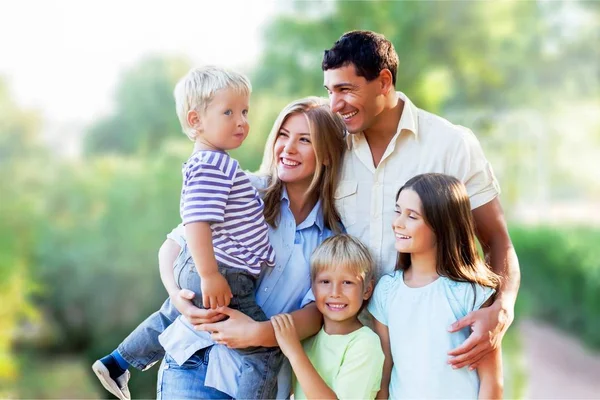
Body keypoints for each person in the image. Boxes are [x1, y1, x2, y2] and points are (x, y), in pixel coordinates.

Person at [92, 96, 347, 399]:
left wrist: (258, 333)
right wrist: (178, 297)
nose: (288, 148)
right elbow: (174, 246)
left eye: (304, 140)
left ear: (327, 154)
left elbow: (316, 312)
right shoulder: (244, 191)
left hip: (255, 382)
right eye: (283, 135)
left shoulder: (331, 238)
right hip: (195, 359)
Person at [322, 30, 520, 369]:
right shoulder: (330, 144)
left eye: (346, 89)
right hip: (347, 348)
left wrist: (501, 308)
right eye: (330, 91)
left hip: (431, 346)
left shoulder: (450, 144)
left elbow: (496, 237)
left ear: (384, 81)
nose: (334, 104)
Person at [369, 173, 503, 399]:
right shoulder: (386, 290)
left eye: (412, 216)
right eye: (398, 211)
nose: (397, 223)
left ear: (441, 226)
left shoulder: (470, 293)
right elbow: (384, 373)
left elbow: (492, 382)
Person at [272, 234, 384, 399]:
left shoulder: (365, 344)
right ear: (313, 288)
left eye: (347, 282)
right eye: (325, 282)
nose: (335, 293)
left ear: (367, 290)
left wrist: (294, 351)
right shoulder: (309, 338)